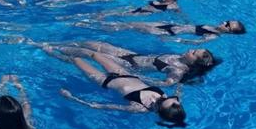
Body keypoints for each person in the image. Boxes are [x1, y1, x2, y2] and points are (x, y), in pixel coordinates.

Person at [40, 47, 186, 127]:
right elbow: (179, 91)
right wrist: (182, 79)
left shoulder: (139, 108)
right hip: (124, 73)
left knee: (76, 60)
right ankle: (59, 46)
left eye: (164, 102)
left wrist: (71, 97)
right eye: (175, 101)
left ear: (161, 110)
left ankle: (50, 51)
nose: (175, 100)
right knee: (94, 54)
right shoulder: (169, 98)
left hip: (104, 80)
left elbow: (98, 106)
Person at [42, 41, 217, 86]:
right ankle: (56, 45)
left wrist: (136, 77)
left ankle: (50, 50)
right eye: (194, 49)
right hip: (130, 55)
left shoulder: (177, 70)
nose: (190, 50)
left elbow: (166, 83)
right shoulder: (180, 56)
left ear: (194, 62)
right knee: (92, 44)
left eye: (194, 53)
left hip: (129, 66)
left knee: (88, 54)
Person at [76, 19, 246, 43]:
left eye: (228, 25)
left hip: (168, 33)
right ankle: (94, 24)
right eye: (227, 21)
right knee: (130, 23)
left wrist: (172, 40)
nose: (224, 22)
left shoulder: (213, 36)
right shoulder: (212, 26)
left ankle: (89, 26)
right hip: (168, 25)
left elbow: (193, 42)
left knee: (129, 27)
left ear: (229, 32)